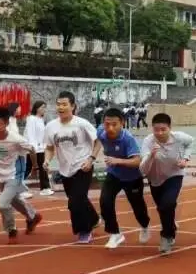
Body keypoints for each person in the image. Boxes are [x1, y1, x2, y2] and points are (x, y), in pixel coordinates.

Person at [0, 106, 42, 244]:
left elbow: (32, 149)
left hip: (14, 175)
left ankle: (11, 230)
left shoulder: (15, 139)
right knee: (14, 200)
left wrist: (35, 166)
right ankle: (33, 216)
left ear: (6, 123)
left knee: (3, 204)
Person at [44, 91, 101, 243]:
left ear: (73, 106)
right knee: (78, 198)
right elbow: (49, 147)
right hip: (65, 169)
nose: (60, 107)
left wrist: (91, 159)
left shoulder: (82, 124)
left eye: (64, 104)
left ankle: (84, 230)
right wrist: (47, 160)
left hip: (83, 166)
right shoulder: (51, 126)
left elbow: (98, 141)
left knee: (75, 202)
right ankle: (95, 219)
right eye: (58, 104)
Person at [96, 107, 151, 249]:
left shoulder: (128, 139)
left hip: (132, 177)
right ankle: (115, 233)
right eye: (107, 124)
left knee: (138, 207)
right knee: (105, 200)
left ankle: (144, 225)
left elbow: (137, 161)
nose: (110, 128)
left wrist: (117, 161)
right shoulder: (101, 131)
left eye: (114, 124)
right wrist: (92, 156)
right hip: (114, 174)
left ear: (122, 123)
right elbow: (97, 140)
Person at [139, 112, 194, 254]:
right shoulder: (148, 142)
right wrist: (151, 155)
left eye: (163, 129)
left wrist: (186, 159)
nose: (160, 133)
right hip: (155, 179)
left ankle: (167, 236)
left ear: (170, 128)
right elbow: (143, 170)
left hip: (174, 175)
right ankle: (171, 226)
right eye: (156, 129)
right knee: (162, 208)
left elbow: (190, 143)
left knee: (167, 204)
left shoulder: (180, 137)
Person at [24, 100, 53, 197]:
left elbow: (42, 135)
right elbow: (30, 134)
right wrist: (33, 148)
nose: (44, 109)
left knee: (28, 168)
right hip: (35, 148)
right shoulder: (31, 119)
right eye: (42, 107)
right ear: (36, 108)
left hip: (41, 147)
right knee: (39, 167)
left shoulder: (40, 119)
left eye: (45, 107)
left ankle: (16, 185)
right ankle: (45, 188)